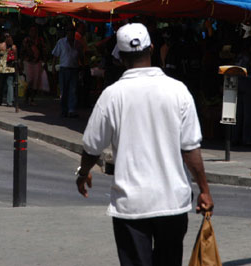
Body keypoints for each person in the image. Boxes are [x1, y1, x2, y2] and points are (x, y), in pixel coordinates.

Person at [76, 23, 213, 266]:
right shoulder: (178, 90)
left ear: (119, 57)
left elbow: (92, 146)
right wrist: (204, 189)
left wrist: (83, 173)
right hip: (172, 202)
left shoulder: (112, 95)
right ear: (152, 48)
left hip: (131, 205)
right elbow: (190, 148)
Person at [51, 27, 83, 118]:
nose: (71, 35)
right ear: (67, 33)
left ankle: (71, 110)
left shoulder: (77, 43)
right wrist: (53, 67)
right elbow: (55, 55)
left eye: (72, 33)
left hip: (74, 69)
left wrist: (82, 66)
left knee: (73, 90)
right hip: (64, 69)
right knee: (64, 90)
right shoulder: (61, 42)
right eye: (69, 33)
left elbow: (81, 56)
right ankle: (64, 109)